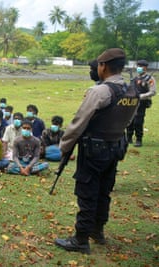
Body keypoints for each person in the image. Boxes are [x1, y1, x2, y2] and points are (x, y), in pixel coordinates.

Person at [55, 48, 139, 254]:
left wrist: (64, 147)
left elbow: (78, 122)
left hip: (94, 150)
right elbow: (129, 120)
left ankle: (81, 239)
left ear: (103, 66)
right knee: (104, 191)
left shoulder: (100, 92)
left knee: (88, 192)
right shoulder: (131, 90)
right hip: (115, 147)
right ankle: (97, 231)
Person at [126, 59, 156, 147]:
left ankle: (139, 139)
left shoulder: (149, 79)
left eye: (141, 66)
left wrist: (141, 96)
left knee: (138, 121)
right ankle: (129, 137)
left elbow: (153, 91)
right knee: (130, 120)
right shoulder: (135, 78)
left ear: (145, 68)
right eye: (138, 66)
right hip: (131, 102)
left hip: (142, 103)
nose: (139, 68)